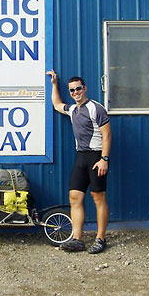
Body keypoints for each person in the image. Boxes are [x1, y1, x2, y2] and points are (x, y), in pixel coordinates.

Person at [46, 70, 111, 254]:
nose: (75, 93)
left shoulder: (96, 108)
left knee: (98, 198)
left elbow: (107, 135)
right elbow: (57, 104)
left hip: (97, 156)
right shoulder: (73, 109)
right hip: (80, 157)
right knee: (75, 197)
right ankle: (77, 239)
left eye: (78, 89)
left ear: (85, 88)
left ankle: (100, 239)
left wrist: (104, 159)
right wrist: (54, 84)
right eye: (72, 91)